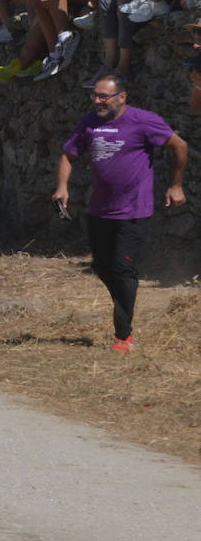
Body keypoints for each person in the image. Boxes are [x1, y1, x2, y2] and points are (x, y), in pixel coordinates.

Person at [52, 73, 186, 353]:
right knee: (101, 267)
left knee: (123, 269)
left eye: (104, 96)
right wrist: (62, 187)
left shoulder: (143, 121)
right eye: (95, 96)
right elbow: (68, 154)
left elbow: (179, 146)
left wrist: (175, 185)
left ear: (122, 97)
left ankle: (123, 335)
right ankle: (124, 298)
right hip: (100, 210)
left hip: (134, 211)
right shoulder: (89, 122)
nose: (97, 101)